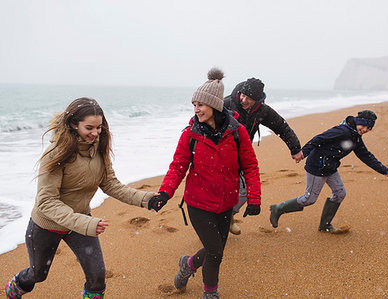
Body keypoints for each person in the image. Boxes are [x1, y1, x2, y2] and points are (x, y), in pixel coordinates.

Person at [5, 98, 158, 299]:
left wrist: (147, 199)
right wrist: (85, 222)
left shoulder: (98, 150)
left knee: (97, 276)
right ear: (73, 124)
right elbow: (46, 202)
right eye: (89, 128)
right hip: (46, 225)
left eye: (99, 127)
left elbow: (110, 184)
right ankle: (16, 286)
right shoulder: (55, 153)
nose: (95, 133)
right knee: (38, 274)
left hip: (80, 222)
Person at [149, 68, 261, 299]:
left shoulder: (237, 132)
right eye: (194, 105)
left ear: (215, 105)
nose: (196, 109)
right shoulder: (190, 134)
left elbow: (250, 166)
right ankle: (210, 293)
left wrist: (254, 198)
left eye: (201, 104)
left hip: (226, 202)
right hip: (199, 204)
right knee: (215, 251)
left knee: (216, 251)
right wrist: (164, 193)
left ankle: (188, 264)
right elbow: (178, 166)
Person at [270, 110, 388, 233]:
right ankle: (278, 208)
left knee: (340, 194)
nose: (365, 129)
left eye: (368, 128)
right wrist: (303, 153)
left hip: (330, 167)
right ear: (358, 122)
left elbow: (366, 156)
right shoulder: (342, 131)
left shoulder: (356, 138)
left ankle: (325, 225)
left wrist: (383, 170)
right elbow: (319, 139)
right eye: (364, 126)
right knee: (309, 199)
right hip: (317, 166)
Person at [223, 78, 302, 234]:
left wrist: (295, 148)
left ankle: (227, 217)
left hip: (241, 157)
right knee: (218, 191)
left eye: (249, 98)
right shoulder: (226, 105)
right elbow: (202, 123)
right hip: (220, 156)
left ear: (257, 100)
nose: (244, 100)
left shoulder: (262, 111)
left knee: (244, 193)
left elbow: (282, 126)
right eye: (243, 95)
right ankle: (212, 222)